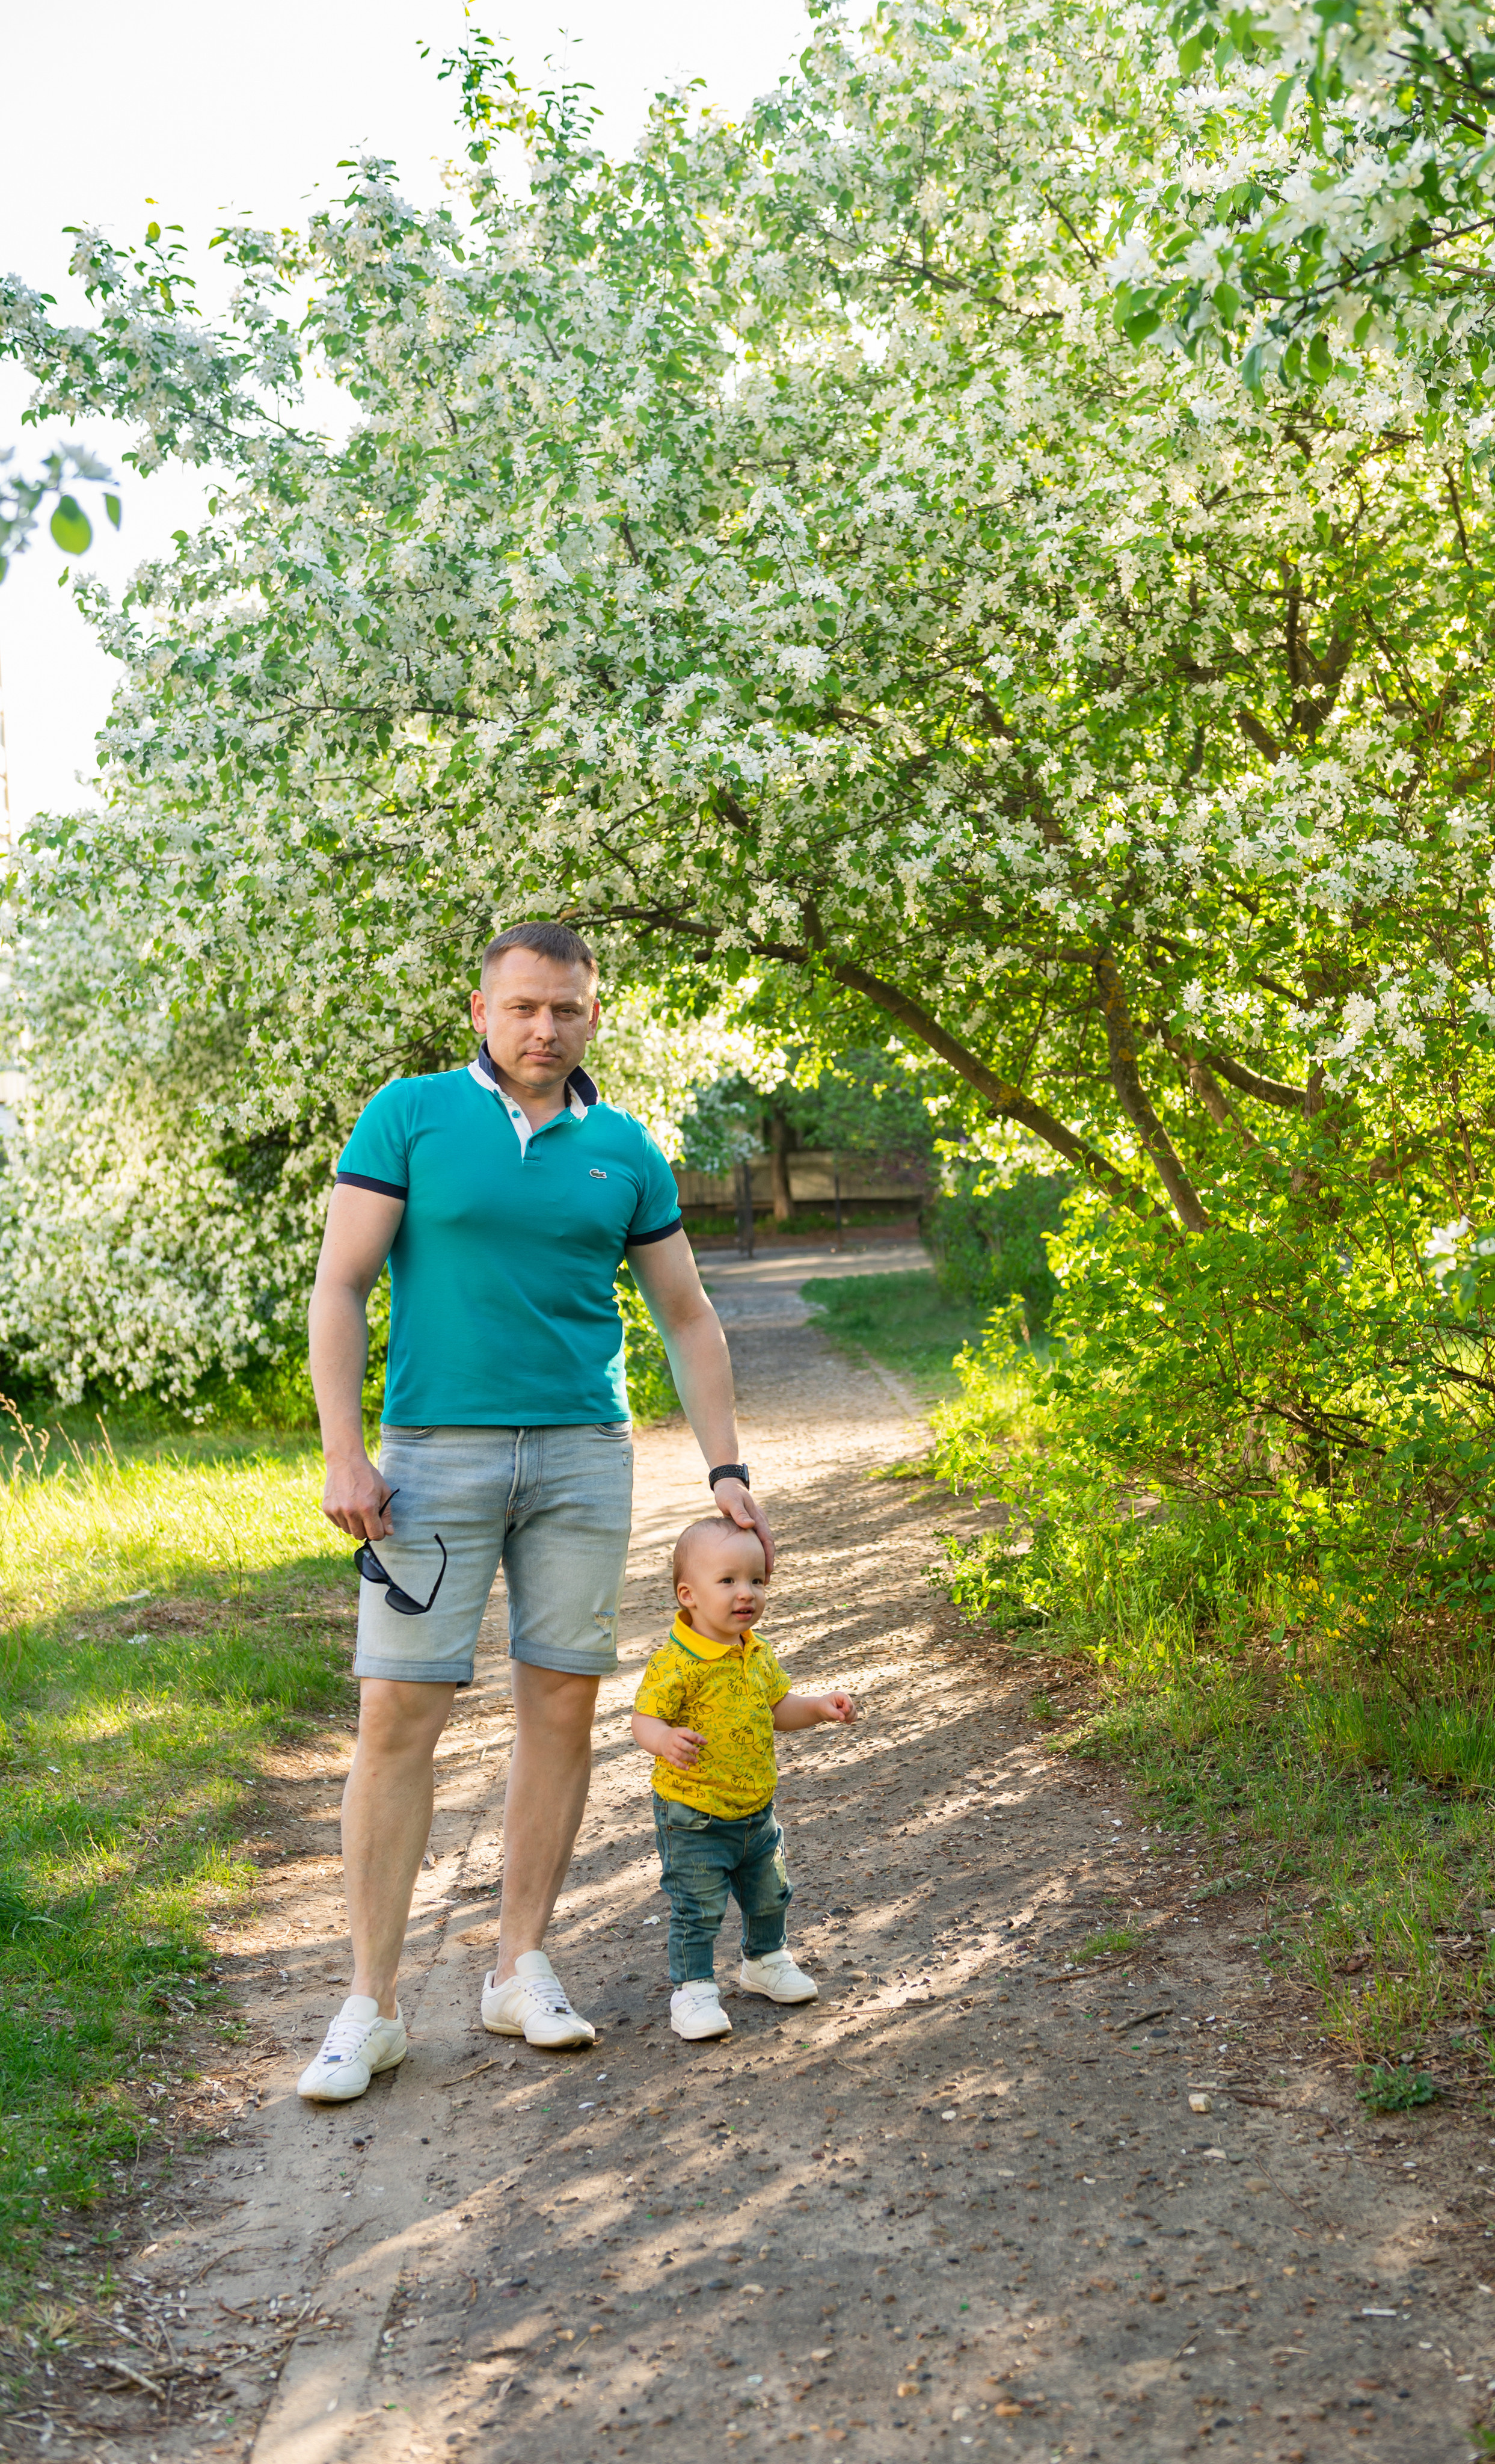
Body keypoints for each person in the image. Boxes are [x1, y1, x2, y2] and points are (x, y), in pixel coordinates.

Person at [296, 921, 772, 2102]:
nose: (541, 1027)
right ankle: (371, 2002)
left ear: (593, 1015)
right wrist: (345, 1449)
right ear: (480, 1010)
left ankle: (519, 1964)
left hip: (580, 1459)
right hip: (429, 1460)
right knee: (398, 1715)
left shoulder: (622, 1148)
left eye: (563, 1008)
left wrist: (726, 1469)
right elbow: (342, 1283)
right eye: (520, 1007)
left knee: (559, 1708)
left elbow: (688, 1314)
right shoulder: (408, 1116)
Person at [631, 1514, 856, 2041]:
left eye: (756, 1580)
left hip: (755, 1808)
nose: (746, 1593)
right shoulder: (676, 1662)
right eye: (728, 1580)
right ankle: (694, 1990)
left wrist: (819, 1708)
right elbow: (644, 1719)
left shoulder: (756, 1651)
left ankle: (766, 1961)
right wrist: (664, 1739)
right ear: (688, 1594)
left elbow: (779, 1706)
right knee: (698, 1906)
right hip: (693, 1814)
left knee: (770, 1893)